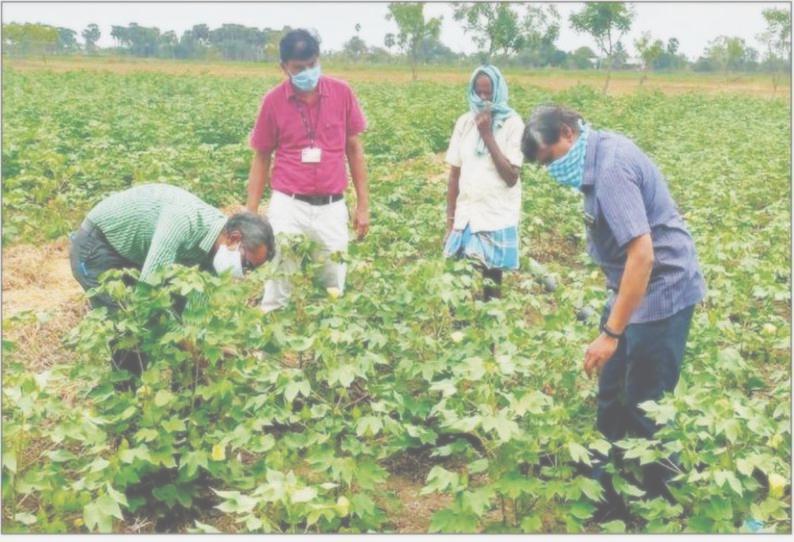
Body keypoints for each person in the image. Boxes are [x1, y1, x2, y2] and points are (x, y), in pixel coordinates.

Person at [521, 104, 707, 515]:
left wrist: (611, 333)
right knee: (612, 392)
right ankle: (604, 489)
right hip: (633, 289)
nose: (552, 169)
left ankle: (662, 504)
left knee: (647, 403)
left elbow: (642, 256)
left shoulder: (610, 170)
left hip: (662, 293)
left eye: (551, 158)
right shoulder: (597, 156)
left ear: (568, 133)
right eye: (543, 165)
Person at [69, 183, 275, 375]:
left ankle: (187, 397)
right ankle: (126, 401)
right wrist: (185, 341)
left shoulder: (215, 254)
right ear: (234, 239)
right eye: (246, 264)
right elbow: (147, 296)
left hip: (138, 255)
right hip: (98, 246)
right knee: (131, 331)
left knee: (176, 321)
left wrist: (204, 344)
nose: (243, 272)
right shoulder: (182, 222)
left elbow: (194, 314)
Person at [246, 28, 369, 312]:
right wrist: (251, 214)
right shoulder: (273, 101)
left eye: (312, 64)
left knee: (334, 283)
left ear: (319, 59)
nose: (307, 72)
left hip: (332, 205)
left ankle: (328, 349)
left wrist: (363, 205)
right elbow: (261, 157)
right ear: (284, 67)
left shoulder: (342, 93)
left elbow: (354, 149)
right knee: (278, 280)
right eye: (299, 68)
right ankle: (270, 346)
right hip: (288, 205)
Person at [443, 65, 525, 302]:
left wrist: (487, 134)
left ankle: (490, 333)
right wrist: (450, 222)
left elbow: (511, 177)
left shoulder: (513, 124)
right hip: (466, 213)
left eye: (488, 92)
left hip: (495, 214)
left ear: (498, 91)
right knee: (458, 279)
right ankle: (460, 331)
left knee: (491, 282)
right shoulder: (465, 122)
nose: (483, 98)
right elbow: (454, 174)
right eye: (478, 92)